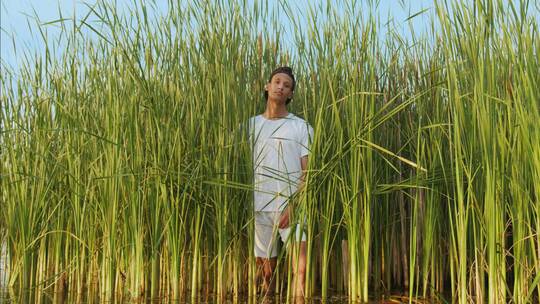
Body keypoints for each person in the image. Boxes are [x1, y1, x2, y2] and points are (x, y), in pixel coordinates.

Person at [247, 66, 313, 301]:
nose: (280, 87)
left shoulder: (301, 127)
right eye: (276, 81)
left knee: (301, 271)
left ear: (290, 94)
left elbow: (309, 172)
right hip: (259, 207)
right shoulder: (251, 126)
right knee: (266, 276)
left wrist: (295, 205)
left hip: (291, 207)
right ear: (267, 86)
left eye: (286, 85)